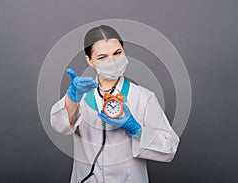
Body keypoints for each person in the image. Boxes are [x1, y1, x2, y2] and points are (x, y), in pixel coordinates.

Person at [50, 25, 180, 183]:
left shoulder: (143, 97)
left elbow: (169, 148)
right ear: (89, 60)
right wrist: (72, 98)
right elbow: (60, 126)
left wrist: (137, 130)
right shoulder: (80, 96)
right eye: (102, 57)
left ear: (124, 50)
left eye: (117, 53)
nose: (112, 61)